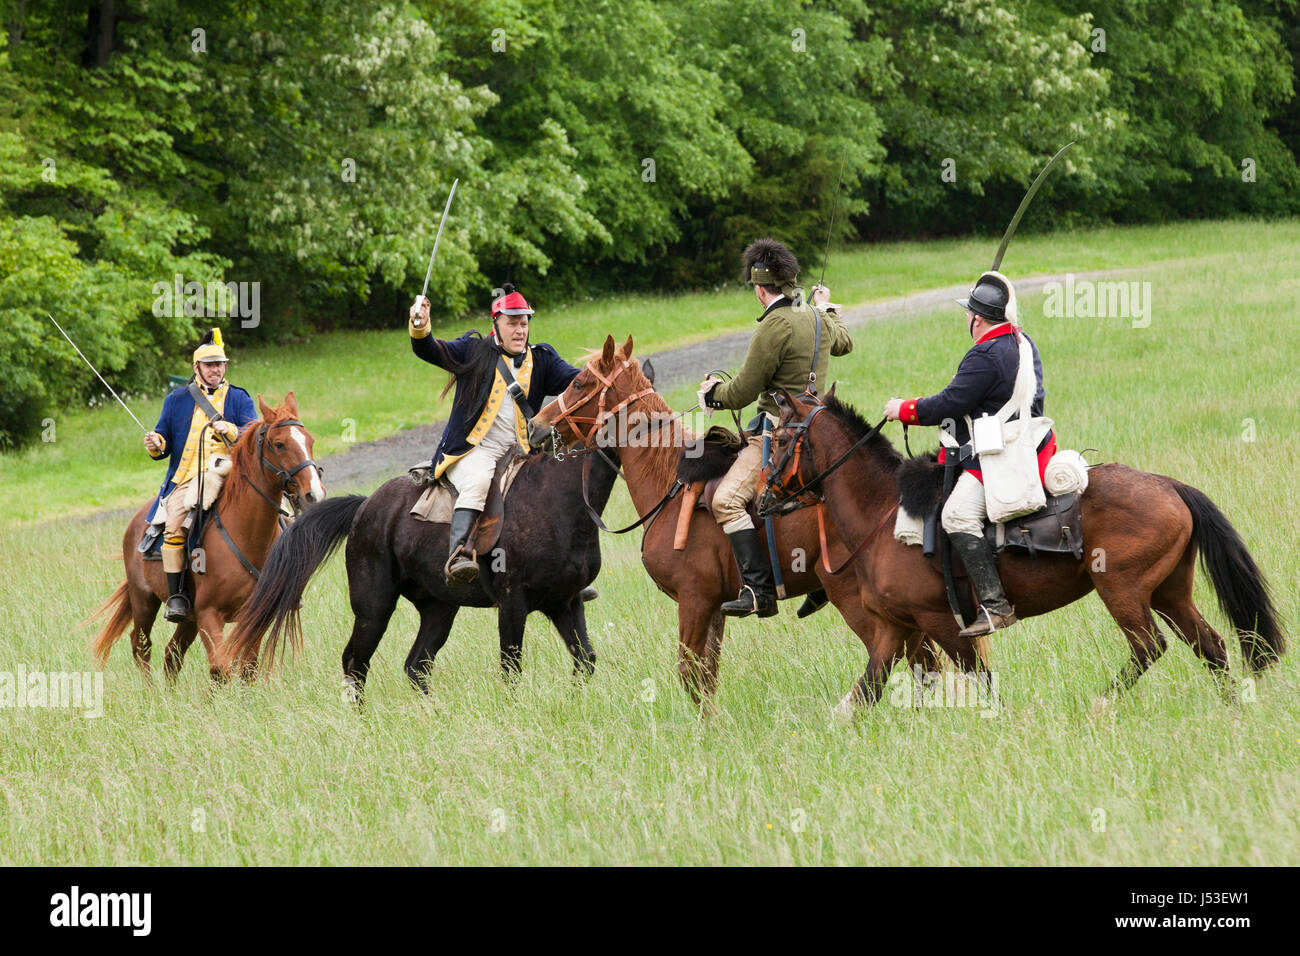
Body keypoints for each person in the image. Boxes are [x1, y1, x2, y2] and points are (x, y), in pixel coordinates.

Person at [883, 271, 1057, 639]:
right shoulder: (1023, 342)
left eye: (968, 314)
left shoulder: (984, 354)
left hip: (998, 456)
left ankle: (995, 605)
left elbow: (948, 403)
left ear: (977, 319)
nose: (967, 319)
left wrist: (904, 409)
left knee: (956, 514)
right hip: (1032, 444)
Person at [698, 238, 853, 617]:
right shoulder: (817, 317)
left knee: (726, 501)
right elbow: (844, 344)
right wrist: (826, 308)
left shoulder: (774, 325)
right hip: (823, 428)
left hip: (779, 432)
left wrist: (711, 394)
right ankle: (815, 580)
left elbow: (743, 392)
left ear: (758, 288)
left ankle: (757, 590)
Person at [409, 283, 582, 587]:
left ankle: (561, 575)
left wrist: (609, 373)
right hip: (474, 451)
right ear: (496, 324)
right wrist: (419, 326)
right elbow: (430, 350)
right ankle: (459, 554)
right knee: (477, 479)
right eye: (512, 323)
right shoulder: (472, 351)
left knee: (559, 484)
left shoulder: (542, 359)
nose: (520, 331)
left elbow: (578, 383)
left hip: (523, 453)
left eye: (524, 323)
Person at [143, 329, 257, 622]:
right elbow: (163, 440)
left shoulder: (240, 398)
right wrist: (156, 444)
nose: (216, 370)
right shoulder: (176, 399)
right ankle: (178, 596)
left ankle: (285, 588)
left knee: (282, 516)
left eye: (220, 364)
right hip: (187, 477)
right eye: (209, 365)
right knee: (174, 527)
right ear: (197, 368)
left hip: (230, 473)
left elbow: (253, 438)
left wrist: (230, 430)